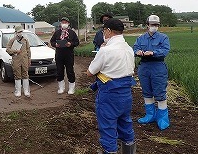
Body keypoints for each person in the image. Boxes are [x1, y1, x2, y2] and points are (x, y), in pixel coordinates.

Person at [87, 18, 136, 154]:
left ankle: (110, 151)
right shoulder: (129, 49)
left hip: (109, 94)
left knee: (108, 128)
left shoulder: (105, 50)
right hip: (126, 94)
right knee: (125, 124)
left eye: (104, 31)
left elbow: (90, 72)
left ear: (108, 31)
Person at [133, 14, 170, 130]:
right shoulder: (141, 38)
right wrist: (137, 52)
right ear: (147, 25)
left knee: (159, 92)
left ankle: (163, 118)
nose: (154, 27)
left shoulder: (163, 37)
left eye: (156, 25)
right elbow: (134, 48)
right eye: (152, 25)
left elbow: (165, 50)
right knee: (147, 91)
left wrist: (153, 53)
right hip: (144, 67)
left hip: (158, 66)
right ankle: (150, 115)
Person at [50, 17, 79, 94]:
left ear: (68, 23)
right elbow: (52, 41)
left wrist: (71, 44)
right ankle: (61, 87)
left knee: (70, 71)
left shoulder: (72, 33)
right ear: (60, 24)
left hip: (69, 54)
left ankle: (71, 88)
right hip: (59, 54)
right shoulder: (57, 33)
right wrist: (55, 44)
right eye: (62, 22)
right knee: (59, 71)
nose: (64, 24)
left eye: (65, 22)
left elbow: (77, 42)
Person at [6, 26, 31, 97]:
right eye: (19, 32)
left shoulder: (25, 40)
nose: (20, 33)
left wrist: (29, 59)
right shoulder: (12, 40)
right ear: (16, 32)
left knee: (25, 74)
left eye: (21, 31)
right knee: (17, 75)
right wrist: (15, 51)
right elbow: (7, 49)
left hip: (24, 60)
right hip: (16, 60)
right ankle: (18, 91)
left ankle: (26, 90)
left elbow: (28, 50)